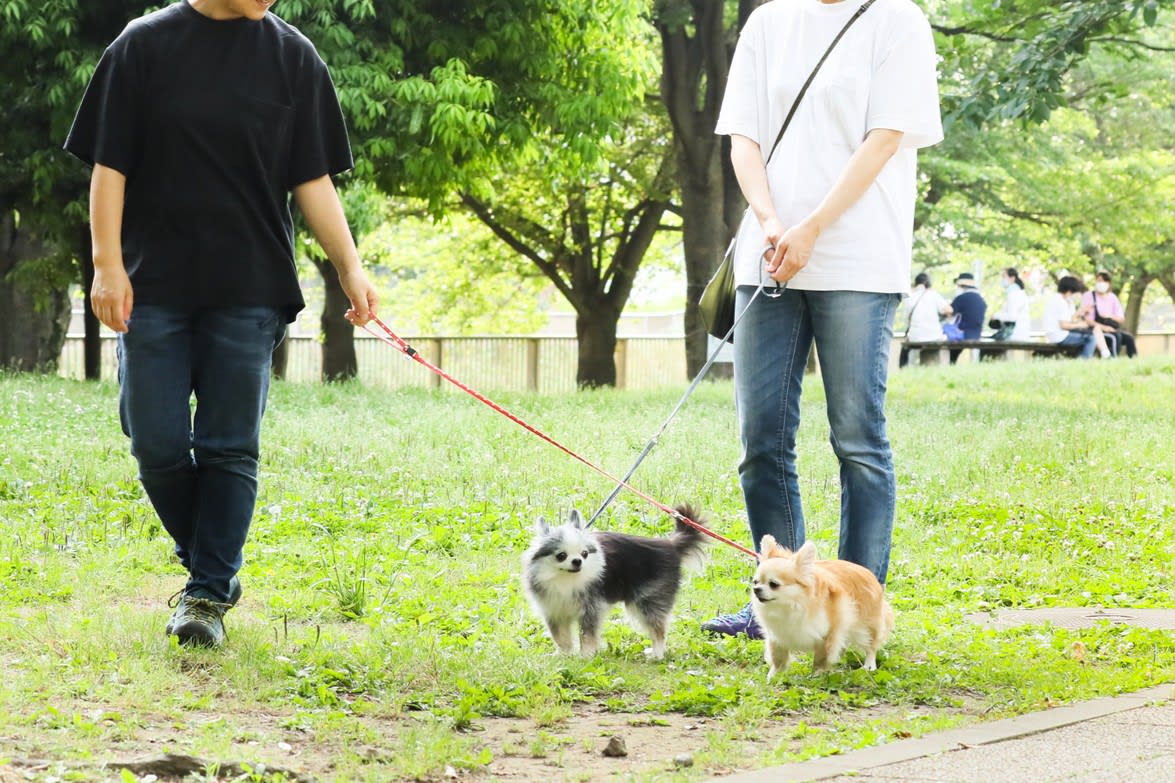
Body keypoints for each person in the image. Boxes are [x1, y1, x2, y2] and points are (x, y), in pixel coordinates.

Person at [64, 0, 379, 647]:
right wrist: (106, 265)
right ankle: (212, 559)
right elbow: (109, 167)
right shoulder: (142, 47)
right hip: (150, 285)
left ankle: (206, 592)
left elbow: (312, 177)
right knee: (153, 438)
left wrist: (349, 266)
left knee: (228, 445)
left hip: (249, 285)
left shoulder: (293, 56)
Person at [702, 0, 942, 638]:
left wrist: (814, 226)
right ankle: (778, 605)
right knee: (761, 441)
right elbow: (743, 139)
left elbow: (884, 139)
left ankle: (857, 613)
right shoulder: (767, 21)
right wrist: (775, 224)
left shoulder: (898, 20)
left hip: (858, 258)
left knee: (858, 439)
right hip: (772, 256)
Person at [1043, 276, 1110, 359]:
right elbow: (1064, 325)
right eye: (1075, 292)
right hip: (1059, 336)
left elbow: (1069, 319)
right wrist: (1080, 325)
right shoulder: (1061, 303)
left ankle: (1102, 354)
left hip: (1054, 334)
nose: (1076, 295)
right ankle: (1084, 360)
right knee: (1091, 338)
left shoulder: (1057, 299)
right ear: (1069, 291)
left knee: (1090, 332)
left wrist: (1080, 314)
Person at [898, 272, 952, 367]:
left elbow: (906, 318)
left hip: (916, 336)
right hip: (934, 335)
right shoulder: (933, 294)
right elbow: (949, 310)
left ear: (916, 283)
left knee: (908, 351)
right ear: (928, 283)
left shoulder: (909, 297)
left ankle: (905, 369)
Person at [1081, 272, 1136, 358]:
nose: (1100, 283)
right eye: (1098, 280)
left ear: (1109, 284)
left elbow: (1121, 319)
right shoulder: (1089, 296)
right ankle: (1113, 359)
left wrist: (1109, 316)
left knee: (1129, 338)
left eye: (1103, 281)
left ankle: (1134, 359)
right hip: (1096, 329)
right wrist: (1104, 328)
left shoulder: (1112, 297)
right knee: (1116, 337)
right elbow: (1087, 320)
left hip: (1112, 328)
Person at [948, 272, 987, 364]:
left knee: (950, 350)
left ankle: (951, 364)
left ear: (962, 286)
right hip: (977, 335)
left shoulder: (961, 298)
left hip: (962, 334)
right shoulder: (980, 299)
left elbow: (950, 313)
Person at [989, 267, 1031, 341]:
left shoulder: (1014, 294)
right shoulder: (1016, 293)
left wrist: (996, 316)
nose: (1002, 280)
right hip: (1016, 334)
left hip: (1015, 335)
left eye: (1004, 277)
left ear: (1012, 278)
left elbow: (1012, 316)